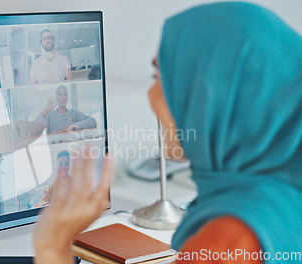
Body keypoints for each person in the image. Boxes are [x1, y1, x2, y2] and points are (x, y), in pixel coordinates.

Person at [33, 2, 302, 264]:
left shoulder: (229, 240)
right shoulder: (283, 202)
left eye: (161, 77)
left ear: (215, 95)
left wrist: (53, 244)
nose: (151, 95)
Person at [33, 85, 97, 134]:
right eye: (59, 94)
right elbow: (32, 131)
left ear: (67, 97)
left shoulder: (74, 113)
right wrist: (45, 110)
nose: (62, 96)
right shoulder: (50, 115)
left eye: (65, 94)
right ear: (56, 97)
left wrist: (72, 127)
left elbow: (93, 122)